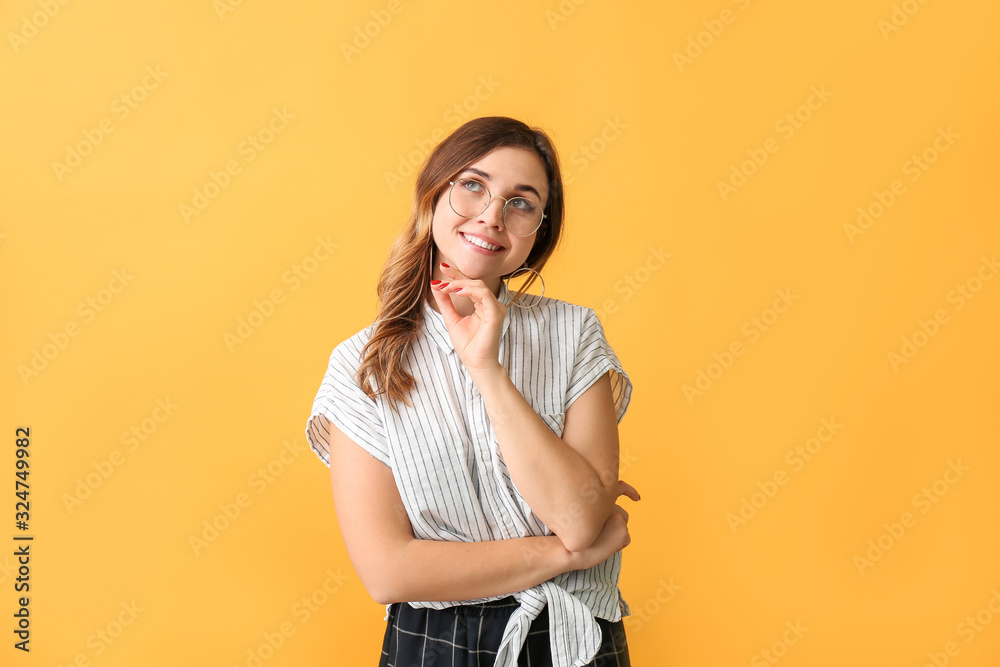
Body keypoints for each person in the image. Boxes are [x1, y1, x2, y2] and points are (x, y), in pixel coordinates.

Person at [305, 116, 640, 667]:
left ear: (538, 232)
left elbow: (579, 518)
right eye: (473, 185)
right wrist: (566, 554)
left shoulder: (574, 332)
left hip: (570, 639)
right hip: (435, 646)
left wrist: (487, 370)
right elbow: (388, 572)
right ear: (434, 194)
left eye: (521, 202)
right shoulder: (361, 366)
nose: (491, 215)